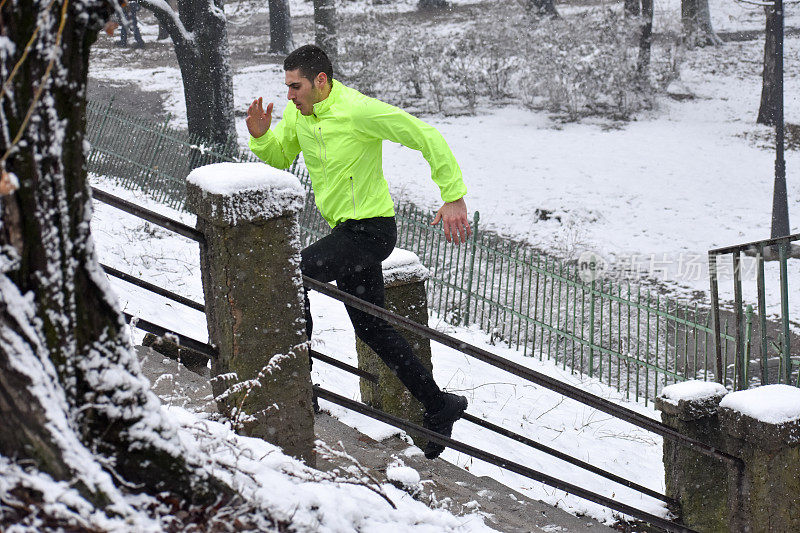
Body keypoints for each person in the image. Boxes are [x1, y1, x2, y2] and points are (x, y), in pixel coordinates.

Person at [246, 44, 470, 460]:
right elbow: (281, 155)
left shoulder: (358, 110)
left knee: (294, 275)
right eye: (287, 87)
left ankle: (298, 381)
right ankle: (440, 405)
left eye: (296, 87)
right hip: (347, 231)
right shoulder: (300, 114)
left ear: (321, 81)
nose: (290, 95)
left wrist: (452, 194)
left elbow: (426, 135)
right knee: (372, 327)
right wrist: (262, 137)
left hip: (371, 231)